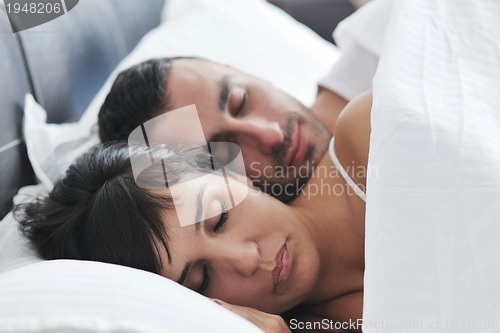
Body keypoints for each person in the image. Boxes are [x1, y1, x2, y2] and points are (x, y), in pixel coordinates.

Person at [17, 89, 372, 333]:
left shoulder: (368, 138)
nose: (246, 259)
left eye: (219, 217)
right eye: (202, 280)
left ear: (234, 172)